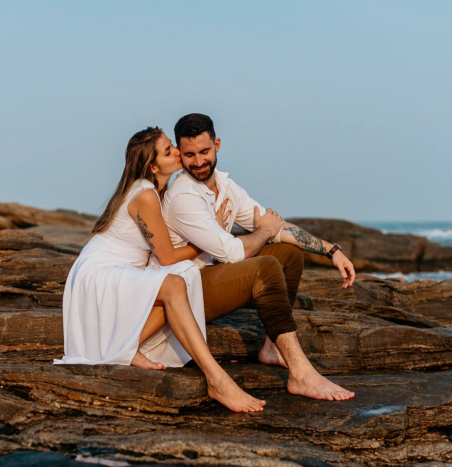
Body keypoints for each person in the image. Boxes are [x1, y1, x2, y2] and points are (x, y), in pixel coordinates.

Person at [139, 114, 357, 401]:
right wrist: (266, 231)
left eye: (205, 152)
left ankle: (272, 347)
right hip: (183, 290)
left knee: (288, 254)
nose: (199, 161)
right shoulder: (183, 197)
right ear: (180, 154)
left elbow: (273, 226)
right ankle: (301, 373)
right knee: (265, 266)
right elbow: (233, 252)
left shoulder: (226, 188)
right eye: (189, 155)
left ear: (216, 145)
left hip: (206, 278)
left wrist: (331, 249)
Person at [54, 127, 267, 413]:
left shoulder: (154, 191)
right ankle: (217, 378)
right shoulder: (145, 194)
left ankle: (126, 350)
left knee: (180, 281)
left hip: (110, 268)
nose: (178, 152)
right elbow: (167, 257)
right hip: (100, 272)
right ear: (153, 166)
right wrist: (212, 233)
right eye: (169, 151)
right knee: (175, 282)